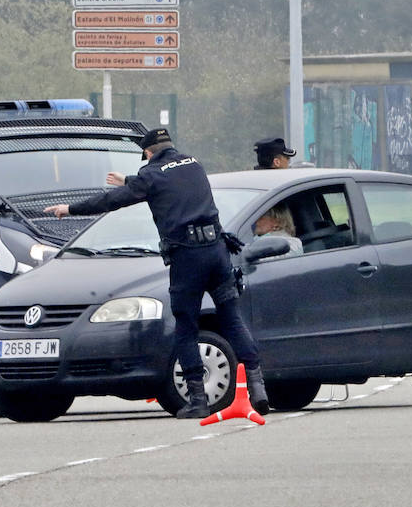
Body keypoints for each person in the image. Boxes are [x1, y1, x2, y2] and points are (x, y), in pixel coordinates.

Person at [44, 127, 268, 418]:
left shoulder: (151, 175)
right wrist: (129, 180)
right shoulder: (194, 164)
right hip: (217, 252)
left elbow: (114, 200)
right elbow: (164, 181)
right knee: (232, 319)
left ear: (148, 153)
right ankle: (258, 386)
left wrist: (69, 208)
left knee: (186, 327)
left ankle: (198, 400)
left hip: (188, 258)